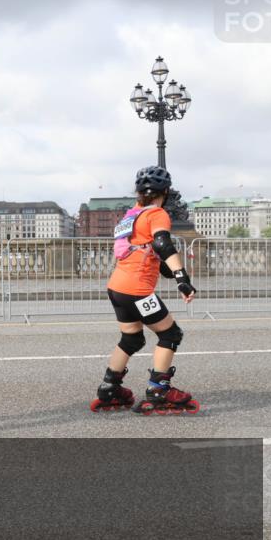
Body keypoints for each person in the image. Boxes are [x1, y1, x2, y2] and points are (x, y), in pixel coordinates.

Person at [93, 165, 200, 415]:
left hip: (117, 287)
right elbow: (162, 244)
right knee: (171, 334)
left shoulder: (132, 215)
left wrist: (165, 269)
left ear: (139, 192)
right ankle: (158, 391)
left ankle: (110, 387)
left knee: (131, 338)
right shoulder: (157, 214)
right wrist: (181, 278)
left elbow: (145, 251)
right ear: (165, 192)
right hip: (137, 290)